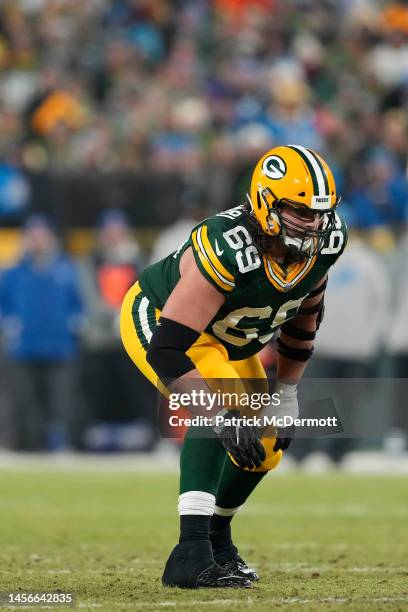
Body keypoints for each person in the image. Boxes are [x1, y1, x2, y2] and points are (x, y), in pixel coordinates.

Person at [120, 145, 347, 588]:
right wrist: (220, 415)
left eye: (320, 213)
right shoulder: (229, 245)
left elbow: (304, 316)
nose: (313, 224)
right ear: (265, 204)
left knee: (265, 445)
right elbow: (168, 350)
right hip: (163, 324)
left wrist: (287, 395)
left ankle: (218, 542)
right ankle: (189, 552)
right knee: (220, 408)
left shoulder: (327, 241)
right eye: (299, 211)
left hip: (228, 340)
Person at [0, 214, 83, 450]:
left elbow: (79, 302)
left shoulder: (67, 269)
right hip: (23, 347)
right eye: (33, 236)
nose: (37, 241)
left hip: (61, 345)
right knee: (26, 401)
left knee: (63, 400)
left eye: (41, 235)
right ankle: (29, 446)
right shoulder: (13, 272)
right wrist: (8, 324)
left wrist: (74, 322)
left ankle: (64, 444)